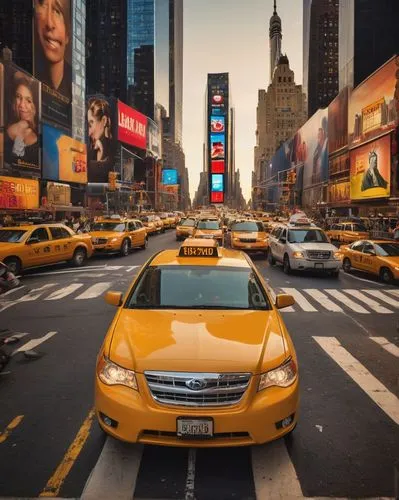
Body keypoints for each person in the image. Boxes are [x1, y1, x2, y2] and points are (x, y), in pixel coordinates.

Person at [33, 0, 72, 99]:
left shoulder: (75, 84)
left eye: (57, 11)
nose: (50, 24)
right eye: (43, 6)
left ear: (68, 34)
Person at [5, 73, 39, 168]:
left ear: (35, 105)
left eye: (28, 101)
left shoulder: (42, 136)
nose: (21, 105)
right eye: (18, 97)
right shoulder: (6, 131)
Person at [87, 98, 114, 183]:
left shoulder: (112, 151)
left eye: (91, 124)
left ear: (103, 121)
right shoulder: (91, 151)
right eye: (88, 125)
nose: (89, 132)